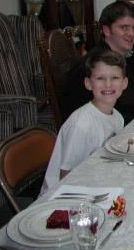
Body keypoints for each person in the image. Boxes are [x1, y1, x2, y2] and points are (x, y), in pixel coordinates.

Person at [42, 50, 127, 193]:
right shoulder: (81, 125)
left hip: (95, 180)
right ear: (88, 83)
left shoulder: (118, 117)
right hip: (62, 194)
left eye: (115, 77)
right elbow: (65, 175)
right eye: (100, 78)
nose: (108, 84)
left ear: (124, 83)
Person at [62, 1, 134, 125]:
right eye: (124, 27)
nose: (132, 34)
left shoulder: (127, 61)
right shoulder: (92, 67)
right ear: (107, 30)